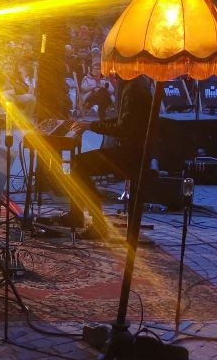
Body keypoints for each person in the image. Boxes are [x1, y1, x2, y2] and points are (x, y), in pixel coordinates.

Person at [51, 75, 153, 239]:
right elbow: (123, 121)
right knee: (78, 164)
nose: (112, 73)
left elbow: (123, 129)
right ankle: (77, 215)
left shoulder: (133, 90)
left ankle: (97, 224)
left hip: (131, 155)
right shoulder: (137, 85)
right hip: (135, 152)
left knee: (78, 165)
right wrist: (91, 124)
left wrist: (92, 126)